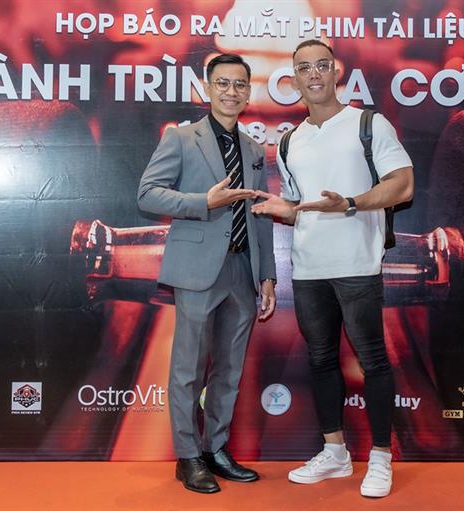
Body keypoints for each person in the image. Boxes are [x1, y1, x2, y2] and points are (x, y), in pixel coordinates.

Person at [251, 40, 413, 498]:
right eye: (304, 68)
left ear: (336, 71)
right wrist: (281, 209)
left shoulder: (368, 124)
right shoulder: (290, 141)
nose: (314, 74)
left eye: (321, 65)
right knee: (321, 360)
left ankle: (380, 458)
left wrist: (352, 203)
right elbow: (302, 207)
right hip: (308, 269)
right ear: (294, 80)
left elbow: (403, 185)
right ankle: (335, 453)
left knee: (373, 360)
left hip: (358, 263)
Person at [137, 53, 277, 494]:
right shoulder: (181, 138)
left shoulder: (254, 149)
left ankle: (216, 449)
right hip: (197, 270)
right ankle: (188, 457)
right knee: (188, 368)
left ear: (248, 92)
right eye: (223, 83)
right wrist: (204, 202)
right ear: (207, 88)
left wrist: (268, 275)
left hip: (242, 270)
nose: (231, 92)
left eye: (240, 84)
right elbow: (147, 194)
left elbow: (260, 216)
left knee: (229, 370)